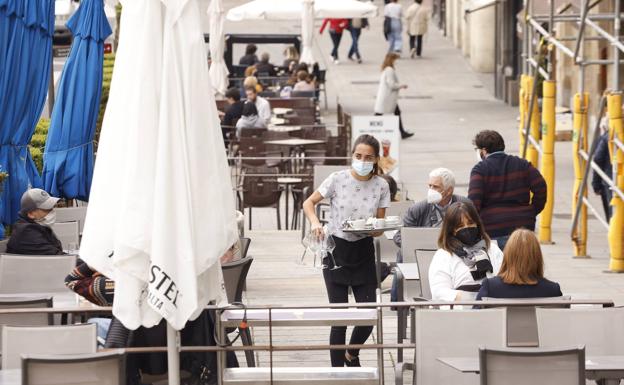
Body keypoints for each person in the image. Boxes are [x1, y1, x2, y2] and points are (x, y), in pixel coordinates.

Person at [303, 134, 390, 367]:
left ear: (376, 159)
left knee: (368, 316)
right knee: (339, 319)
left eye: (368, 157)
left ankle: (351, 353)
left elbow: (380, 226)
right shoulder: (337, 178)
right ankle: (337, 375)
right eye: (358, 156)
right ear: (352, 155)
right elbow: (308, 203)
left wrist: (375, 230)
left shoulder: (381, 185)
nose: (362, 160)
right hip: (335, 251)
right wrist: (315, 223)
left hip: (363, 251)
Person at [390, 168, 471, 300]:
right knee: (401, 261)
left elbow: (475, 231)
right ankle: (396, 302)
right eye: (430, 186)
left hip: (454, 256)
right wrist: (416, 244)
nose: (431, 190)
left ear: (449, 190)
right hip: (421, 257)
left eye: (436, 187)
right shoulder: (418, 209)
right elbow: (399, 236)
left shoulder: (464, 205)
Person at [468, 130, 547, 250]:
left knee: (498, 267)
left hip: (493, 231)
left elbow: (473, 203)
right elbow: (541, 187)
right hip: (523, 228)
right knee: (522, 267)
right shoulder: (523, 165)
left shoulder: (480, 170)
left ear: (483, 151)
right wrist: (531, 211)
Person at [429, 201, 503, 301]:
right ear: (451, 230)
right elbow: (439, 292)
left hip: (493, 307)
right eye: (460, 226)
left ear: (477, 224)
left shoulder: (492, 249)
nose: (466, 228)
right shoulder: (443, 255)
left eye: (470, 223)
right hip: (459, 310)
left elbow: (504, 279)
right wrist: (470, 298)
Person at [476, 229, 562, 300]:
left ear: (508, 256)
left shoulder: (490, 288)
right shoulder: (553, 290)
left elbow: (474, 317)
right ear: (537, 257)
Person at [7, 188, 63, 255]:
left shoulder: (38, 226)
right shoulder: (26, 233)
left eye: (52, 207)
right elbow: (58, 258)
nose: (52, 211)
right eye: (47, 209)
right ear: (31, 214)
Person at [374, 53, 413, 139]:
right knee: (379, 114)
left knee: (395, 112)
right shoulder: (389, 70)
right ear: (392, 60)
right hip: (387, 97)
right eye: (395, 60)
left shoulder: (386, 69)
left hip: (386, 97)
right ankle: (372, 132)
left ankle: (402, 132)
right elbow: (391, 84)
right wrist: (401, 86)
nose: (396, 62)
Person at [592, 118, 613, 221]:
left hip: (609, 180)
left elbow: (597, 159)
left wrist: (596, 184)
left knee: (612, 215)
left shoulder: (605, 138)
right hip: (610, 180)